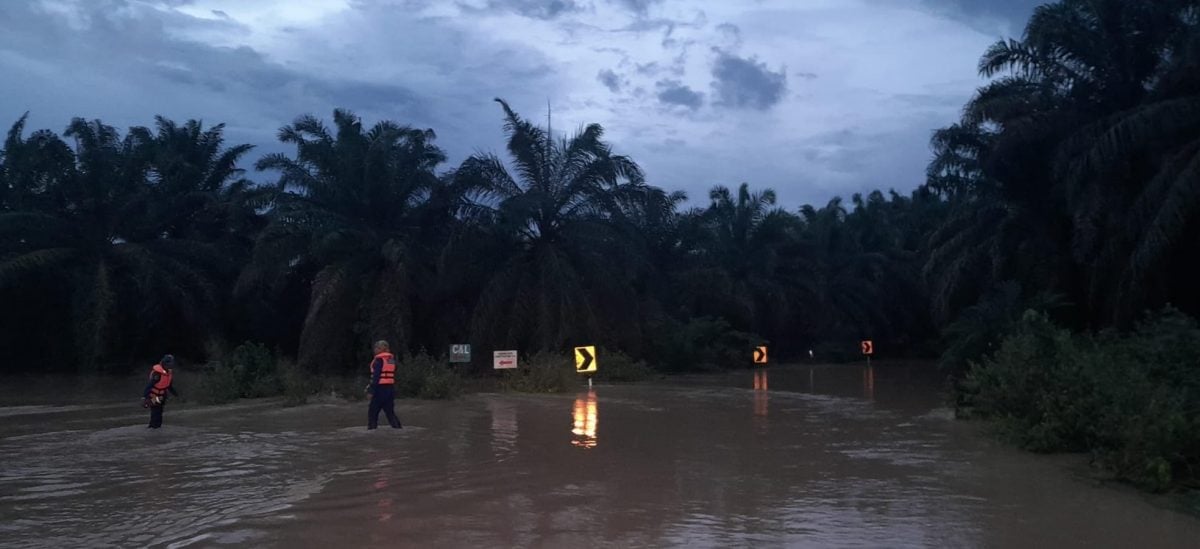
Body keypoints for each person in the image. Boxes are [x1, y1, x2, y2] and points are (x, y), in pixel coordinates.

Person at [366, 340, 402, 430]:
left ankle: (371, 432)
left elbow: (376, 377)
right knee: (390, 413)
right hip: (390, 389)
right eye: (375, 348)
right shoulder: (391, 360)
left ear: (383, 349)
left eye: (378, 348)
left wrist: (370, 390)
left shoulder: (379, 360)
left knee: (372, 413)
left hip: (379, 389)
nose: (375, 350)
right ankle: (398, 429)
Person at [142, 354, 180, 429]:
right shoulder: (157, 374)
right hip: (153, 396)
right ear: (165, 363)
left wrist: (176, 395)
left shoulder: (168, 373)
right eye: (170, 363)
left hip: (162, 396)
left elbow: (169, 386)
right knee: (155, 413)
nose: (172, 365)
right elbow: (149, 386)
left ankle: (156, 430)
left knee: (159, 414)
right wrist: (145, 398)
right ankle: (152, 429)